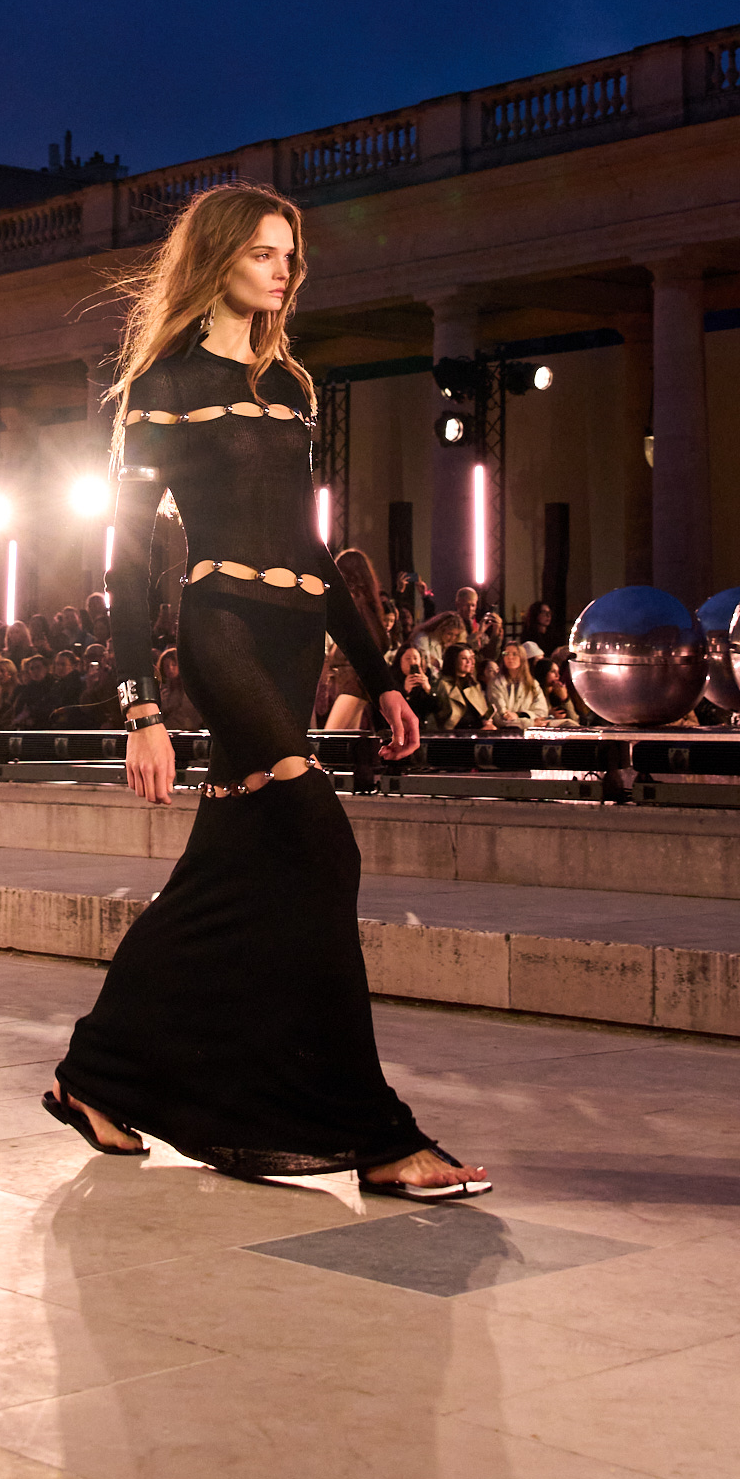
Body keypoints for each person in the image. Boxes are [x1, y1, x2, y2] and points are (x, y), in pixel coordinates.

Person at [50, 183, 487, 1199]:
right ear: (217, 259)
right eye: (261, 252)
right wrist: (139, 708)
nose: (283, 268)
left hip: (295, 638)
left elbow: (307, 548)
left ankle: (97, 1071)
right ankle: (373, 1133)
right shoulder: (161, 383)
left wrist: (379, 675)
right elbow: (130, 561)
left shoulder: (291, 385)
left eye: (289, 252)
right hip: (224, 632)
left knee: (227, 871)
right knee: (321, 849)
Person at [322, 547, 390, 732]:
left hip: (353, 681)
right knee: (345, 743)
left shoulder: (354, 603)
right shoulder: (367, 604)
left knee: (330, 739)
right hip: (357, 681)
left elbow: (371, 643)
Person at [487, 640, 550, 729]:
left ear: (522, 657)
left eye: (514, 654)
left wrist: (519, 715)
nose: (510, 657)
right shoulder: (496, 683)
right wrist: (530, 723)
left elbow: (542, 712)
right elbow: (501, 718)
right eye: (506, 654)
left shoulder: (532, 684)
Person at [434, 643, 494, 733]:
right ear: (454, 661)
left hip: (478, 731)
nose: (470, 662)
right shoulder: (443, 685)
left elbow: (483, 712)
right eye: (464, 658)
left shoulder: (474, 685)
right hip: (455, 733)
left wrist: (488, 723)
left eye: (471, 658)